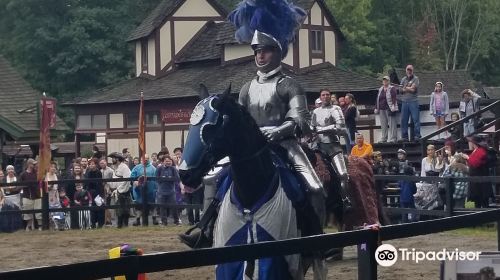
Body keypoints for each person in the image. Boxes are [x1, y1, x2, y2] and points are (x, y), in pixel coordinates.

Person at [311, 88, 352, 208]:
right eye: (323, 95)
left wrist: (321, 129)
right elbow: (312, 127)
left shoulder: (336, 109)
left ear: (330, 96)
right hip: (318, 146)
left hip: (333, 145)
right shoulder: (315, 112)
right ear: (320, 97)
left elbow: (341, 128)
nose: (325, 97)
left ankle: (345, 199)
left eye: (327, 95)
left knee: (343, 174)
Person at [131, 154, 157, 226]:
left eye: (147, 158)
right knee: (139, 205)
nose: (145, 160)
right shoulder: (137, 167)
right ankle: (138, 219)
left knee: (152, 205)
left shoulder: (153, 168)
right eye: (144, 158)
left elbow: (156, 178)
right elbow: (132, 177)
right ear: (141, 159)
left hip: (151, 190)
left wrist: (155, 188)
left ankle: (154, 218)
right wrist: (135, 182)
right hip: (139, 190)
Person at [467, 135, 492, 208]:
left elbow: (475, 163)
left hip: (480, 182)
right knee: (476, 202)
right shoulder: (476, 150)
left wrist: (467, 157)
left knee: (483, 202)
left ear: (475, 143)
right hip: (475, 181)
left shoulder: (481, 151)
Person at [108, 152, 132, 228]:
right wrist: (110, 185)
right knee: (119, 210)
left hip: (124, 192)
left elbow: (127, 180)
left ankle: (125, 225)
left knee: (124, 210)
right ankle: (119, 225)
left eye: (113, 158)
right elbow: (115, 180)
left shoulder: (124, 167)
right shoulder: (116, 168)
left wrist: (119, 190)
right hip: (117, 192)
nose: (112, 160)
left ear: (117, 159)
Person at [155, 155, 180, 226]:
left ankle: (176, 221)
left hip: (171, 191)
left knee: (174, 207)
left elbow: (177, 178)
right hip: (161, 191)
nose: (168, 162)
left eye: (169, 161)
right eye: (166, 161)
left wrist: (170, 178)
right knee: (162, 207)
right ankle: (164, 222)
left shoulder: (173, 169)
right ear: (163, 162)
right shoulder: (159, 168)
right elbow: (157, 178)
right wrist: (164, 178)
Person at [399, 64, 421, 142]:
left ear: (412, 70)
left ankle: (417, 135)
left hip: (413, 101)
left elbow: (413, 90)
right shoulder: (403, 79)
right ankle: (404, 137)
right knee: (403, 120)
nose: (409, 71)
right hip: (404, 102)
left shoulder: (416, 78)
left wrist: (405, 88)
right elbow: (400, 90)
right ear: (406, 70)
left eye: (410, 70)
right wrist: (408, 88)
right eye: (408, 70)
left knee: (416, 119)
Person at [374, 76, 398, 143]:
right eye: (384, 80)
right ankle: (384, 138)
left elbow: (394, 97)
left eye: (386, 80)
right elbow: (377, 99)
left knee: (392, 124)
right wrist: (376, 107)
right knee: (383, 124)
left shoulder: (392, 88)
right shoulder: (380, 89)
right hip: (381, 108)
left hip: (389, 108)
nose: (385, 81)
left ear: (389, 81)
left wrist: (393, 105)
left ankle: (393, 138)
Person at [20, 158, 41, 231]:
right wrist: (26, 185)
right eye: (33, 164)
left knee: (39, 212)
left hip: (37, 195)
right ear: (29, 165)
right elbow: (20, 185)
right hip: (27, 195)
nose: (35, 165)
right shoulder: (23, 174)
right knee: (27, 212)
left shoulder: (37, 173)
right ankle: (29, 226)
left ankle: (40, 226)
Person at [85, 159, 105, 228]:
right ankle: (93, 224)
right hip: (90, 193)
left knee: (100, 208)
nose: (91, 165)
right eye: (90, 164)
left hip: (98, 192)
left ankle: (100, 224)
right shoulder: (88, 172)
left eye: (93, 164)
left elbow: (99, 184)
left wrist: (99, 194)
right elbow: (87, 183)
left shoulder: (98, 172)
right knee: (92, 210)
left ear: (96, 165)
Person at [100, 159, 114, 226]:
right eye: (101, 163)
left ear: (106, 163)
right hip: (102, 189)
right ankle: (105, 220)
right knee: (104, 205)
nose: (102, 164)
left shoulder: (110, 171)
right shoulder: (100, 171)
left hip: (108, 189)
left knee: (107, 205)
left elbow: (113, 180)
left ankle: (109, 220)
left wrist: (110, 189)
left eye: (103, 163)